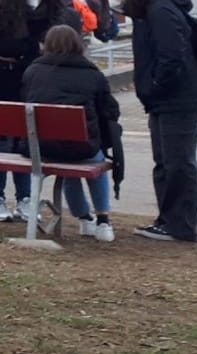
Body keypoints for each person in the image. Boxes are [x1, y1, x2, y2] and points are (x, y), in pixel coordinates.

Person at [98, 0, 197, 243]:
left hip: (177, 99)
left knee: (178, 162)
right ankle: (167, 218)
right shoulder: (149, 11)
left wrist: (156, 84)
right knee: (165, 161)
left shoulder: (160, 11)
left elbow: (173, 55)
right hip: (163, 99)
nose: (112, 0)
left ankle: (180, 224)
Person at [0, 0, 77, 222]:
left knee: (26, 141)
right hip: (0, 79)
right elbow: (5, 45)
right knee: (3, 141)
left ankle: (25, 197)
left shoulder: (50, 13)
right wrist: (31, 46)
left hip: (29, 79)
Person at [22, 25, 124, 242]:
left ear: (46, 45)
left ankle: (85, 218)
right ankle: (103, 220)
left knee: (68, 166)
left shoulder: (32, 72)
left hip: (39, 147)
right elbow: (111, 110)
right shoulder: (91, 74)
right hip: (81, 147)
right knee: (90, 159)